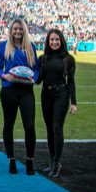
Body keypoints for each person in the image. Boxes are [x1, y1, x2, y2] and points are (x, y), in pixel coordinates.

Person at [0, 18, 39, 175]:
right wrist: (4, 76)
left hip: (26, 90)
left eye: (20, 29)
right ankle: (11, 160)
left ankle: (29, 161)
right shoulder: (3, 46)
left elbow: (36, 68)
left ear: (24, 30)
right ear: (11, 31)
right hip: (9, 90)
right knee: (8, 125)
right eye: (15, 29)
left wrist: (33, 79)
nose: (18, 32)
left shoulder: (30, 46)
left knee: (30, 127)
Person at [37, 29, 77, 178]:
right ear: (48, 41)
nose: (54, 42)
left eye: (57, 40)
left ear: (61, 41)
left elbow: (71, 82)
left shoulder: (68, 59)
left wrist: (74, 102)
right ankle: (51, 160)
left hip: (61, 94)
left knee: (57, 128)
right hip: (45, 94)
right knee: (49, 129)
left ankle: (57, 163)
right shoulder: (42, 59)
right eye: (52, 40)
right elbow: (38, 80)